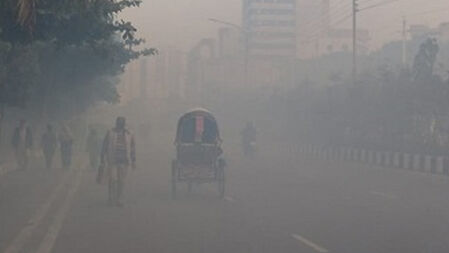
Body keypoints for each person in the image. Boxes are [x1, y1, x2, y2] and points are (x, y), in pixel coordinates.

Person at [99, 117, 136, 207]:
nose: (120, 125)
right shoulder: (110, 133)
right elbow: (104, 145)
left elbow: (132, 148)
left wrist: (133, 160)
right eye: (119, 123)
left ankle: (120, 199)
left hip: (124, 161)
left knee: (121, 181)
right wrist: (102, 158)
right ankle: (111, 198)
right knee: (112, 179)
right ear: (116, 123)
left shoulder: (129, 134)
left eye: (121, 123)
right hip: (112, 160)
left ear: (124, 124)